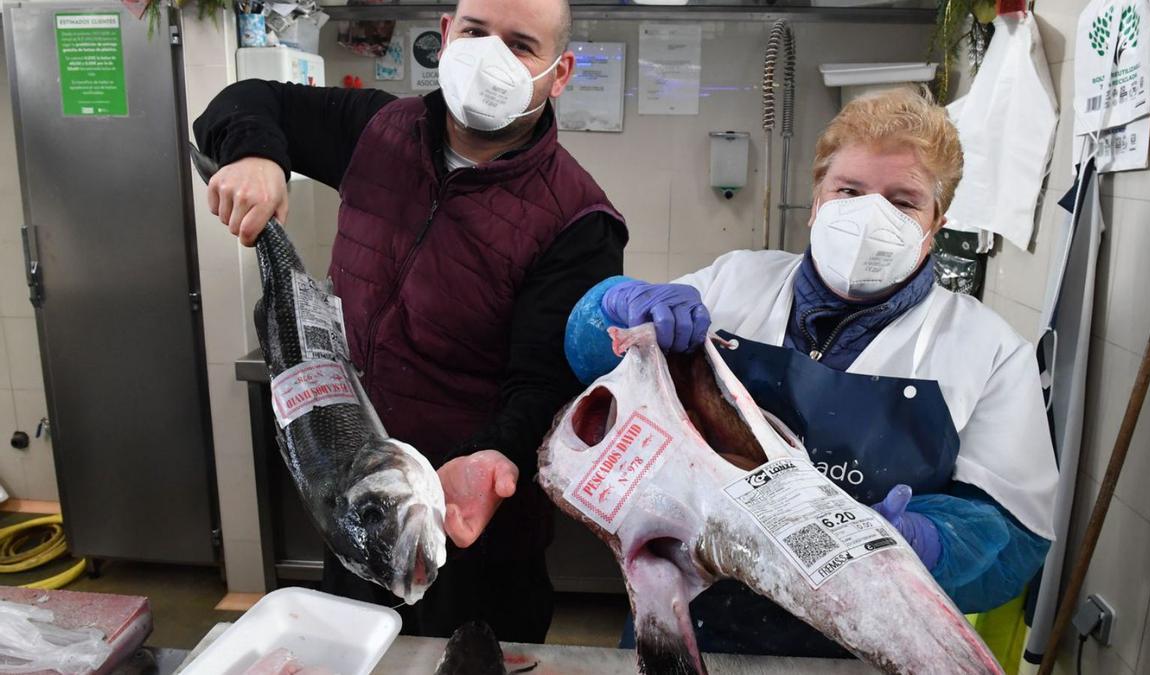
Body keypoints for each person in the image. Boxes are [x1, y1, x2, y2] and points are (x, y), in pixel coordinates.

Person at [566, 87, 1057, 657]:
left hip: (859, 646)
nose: (871, 217)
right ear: (818, 200)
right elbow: (588, 356)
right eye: (849, 191)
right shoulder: (733, 284)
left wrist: (928, 541)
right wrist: (615, 303)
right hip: (687, 625)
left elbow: (1013, 537)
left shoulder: (988, 351)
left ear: (937, 221)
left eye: (903, 202)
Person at [194, 0, 627, 644]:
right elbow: (244, 98)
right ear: (448, 36)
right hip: (355, 503)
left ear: (558, 73)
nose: (491, 56)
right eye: (477, 32)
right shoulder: (378, 130)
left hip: (475, 537)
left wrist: (494, 456)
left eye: (521, 44)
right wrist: (256, 154)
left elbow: (543, 385)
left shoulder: (578, 219)